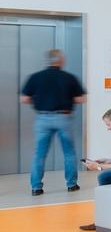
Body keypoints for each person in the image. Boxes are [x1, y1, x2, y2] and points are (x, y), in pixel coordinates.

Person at [19, 48, 86, 196]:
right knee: (69, 153)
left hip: (42, 118)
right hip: (64, 118)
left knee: (39, 154)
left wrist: (39, 101)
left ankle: (36, 188)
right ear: (61, 61)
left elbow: (23, 99)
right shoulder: (69, 77)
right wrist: (65, 98)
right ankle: (72, 185)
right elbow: (81, 99)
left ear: (48, 61)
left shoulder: (35, 77)